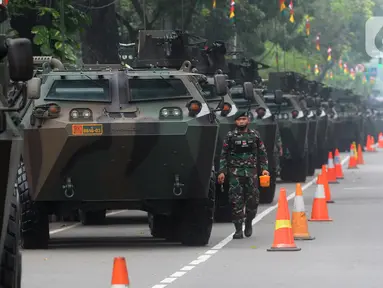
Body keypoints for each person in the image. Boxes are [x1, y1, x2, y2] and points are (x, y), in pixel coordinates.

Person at [217, 110, 269, 239]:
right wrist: (222, 171)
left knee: (253, 201)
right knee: (236, 201)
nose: (241, 121)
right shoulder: (230, 136)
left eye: (244, 119)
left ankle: (249, 221)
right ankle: (238, 229)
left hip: (251, 172)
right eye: (239, 119)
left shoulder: (255, 135)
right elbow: (223, 155)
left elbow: (262, 153)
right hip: (235, 173)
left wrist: (264, 169)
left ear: (248, 121)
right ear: (236, 122)